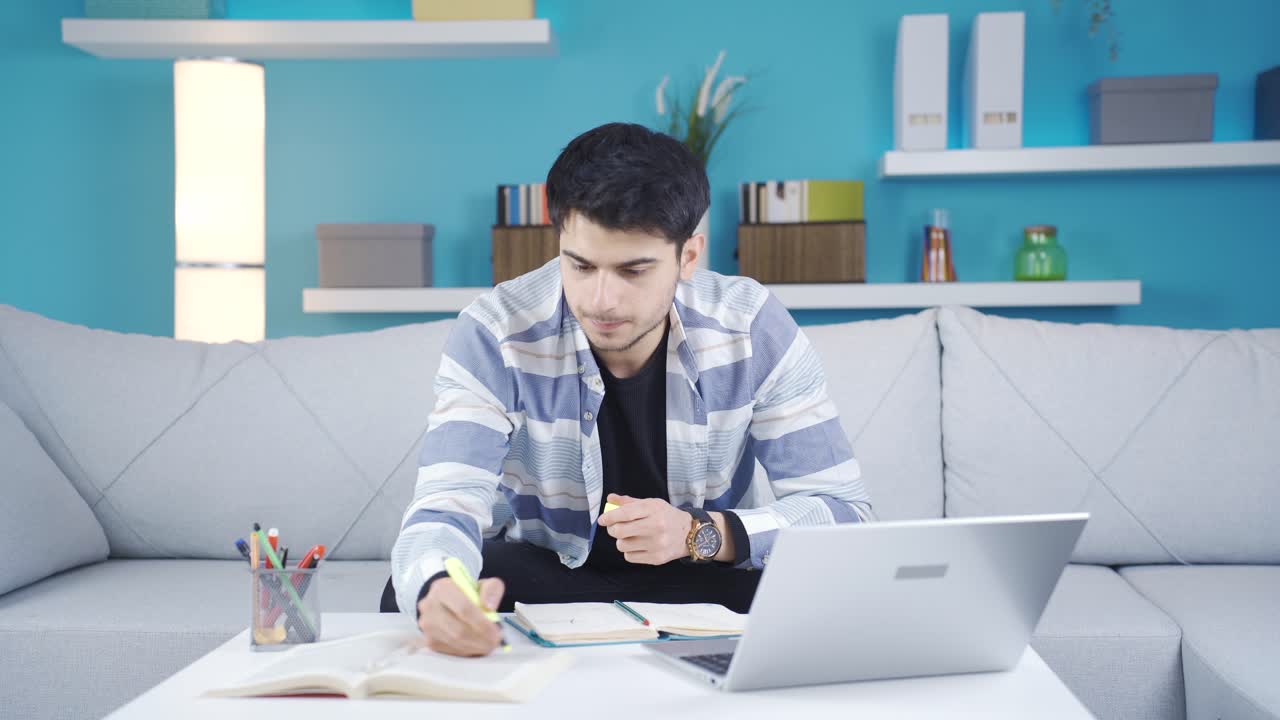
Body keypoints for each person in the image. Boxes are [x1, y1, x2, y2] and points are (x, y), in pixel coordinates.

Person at [380, 122, 872, 657]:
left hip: (699, 574)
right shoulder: (495, 332)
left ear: (688, 257)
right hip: (550, 574)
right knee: (412, 592)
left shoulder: (752, 327)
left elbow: (843, 512)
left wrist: (696, 534)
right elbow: (445, 503)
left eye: (633, 270)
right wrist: (440, 588)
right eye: (581, 265)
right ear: (560, 241)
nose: (601, 300)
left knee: (823, 589)